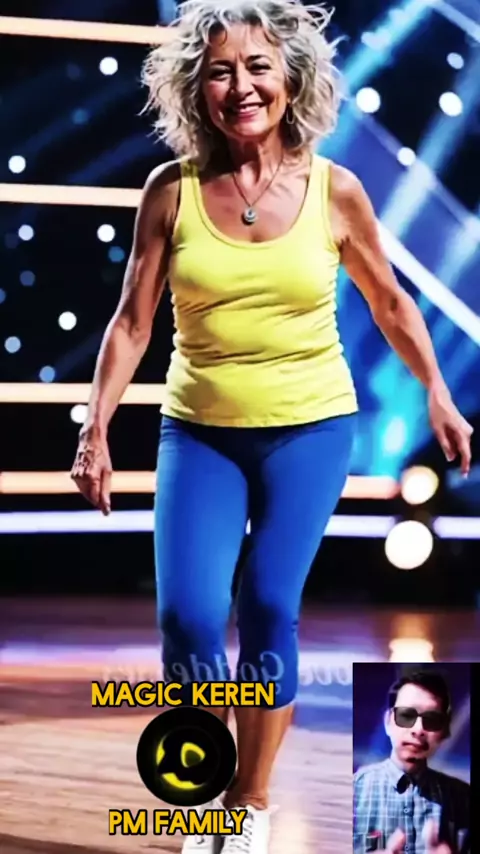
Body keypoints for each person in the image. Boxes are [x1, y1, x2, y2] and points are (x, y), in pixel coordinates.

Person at [70, 0, 473, 850]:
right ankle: (199, 791)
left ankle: (246, 807)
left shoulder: (336, 190)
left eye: (258, 67)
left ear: (291, 78)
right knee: (187, 618)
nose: (241, 86)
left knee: (265, 605)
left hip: (310, 430)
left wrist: (437, 391)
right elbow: (131, 323)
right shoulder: (170, 190)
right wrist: (94, 429)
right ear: (196, 89)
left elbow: (391, 302)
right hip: (199, 433)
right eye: (220, 71)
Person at [353, 670, 470, 854]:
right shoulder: (355, 790)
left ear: (443, 733)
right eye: (407, 715)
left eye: (431, 720)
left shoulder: (464, 799)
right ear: (387, 722)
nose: (418, 729)